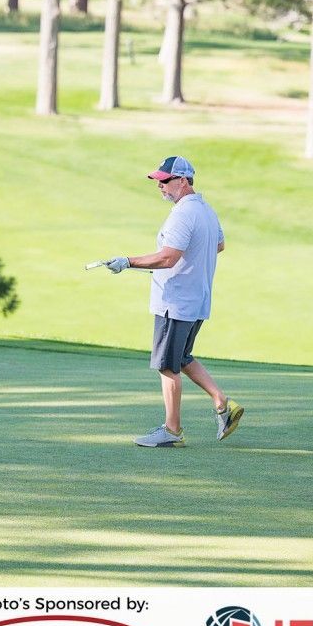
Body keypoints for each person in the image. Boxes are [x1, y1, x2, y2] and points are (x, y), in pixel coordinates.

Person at [103, 156, 243, 447]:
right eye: (157, 181)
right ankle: (222, 403)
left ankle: (172, 431)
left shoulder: (183, 213)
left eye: (165, 181)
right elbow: (218, 245)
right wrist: (184, 265)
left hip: (175, 302)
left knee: (168, 366)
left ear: (183, 180)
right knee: (181, 358)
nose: (160, 186)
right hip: (196, 300)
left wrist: (128, 262)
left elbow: (168, 257)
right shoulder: (206, 210)